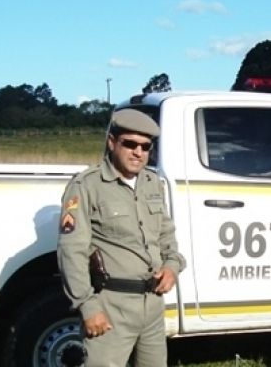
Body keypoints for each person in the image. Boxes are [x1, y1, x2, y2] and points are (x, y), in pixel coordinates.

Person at [58, 108, 186, 367]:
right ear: (112, 142)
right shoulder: (87, 186)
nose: (138, 152)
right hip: (110, 305)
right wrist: (87, 306)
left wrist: (172, 266)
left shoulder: (152, 183)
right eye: (130, 144)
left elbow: (166, 236)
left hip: (151, 306)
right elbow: (71, 251)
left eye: (145, 146)